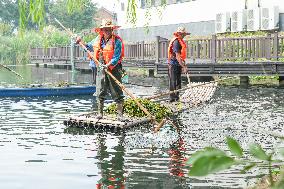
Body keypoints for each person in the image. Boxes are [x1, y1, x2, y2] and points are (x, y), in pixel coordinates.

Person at [77, 19, 125, 119]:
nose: (107, 31)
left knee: (116, 90)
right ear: (102, 30)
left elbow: (117, 56)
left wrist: (108, 65)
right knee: (100, 89)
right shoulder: (97, 39)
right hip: (101, 67)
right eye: (105, 29)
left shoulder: (117, 41)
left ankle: (120, 114)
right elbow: (89, 47)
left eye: (109, 29)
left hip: (113, 68)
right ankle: (100, 113)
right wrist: (80, 42)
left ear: (112, 30)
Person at [167, 27, 190, 102]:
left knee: (178, 82)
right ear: (179, 34)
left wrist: (184, 65)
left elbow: (181, 56)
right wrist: (184, 67)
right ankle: (172, 99)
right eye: (183, 34)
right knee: (173, 82)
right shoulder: (176, 42)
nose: (184, 36)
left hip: (178, 64)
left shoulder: (180, 41)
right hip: (173, 65)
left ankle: (177, 98)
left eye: (184, 34)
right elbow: (177, 56)